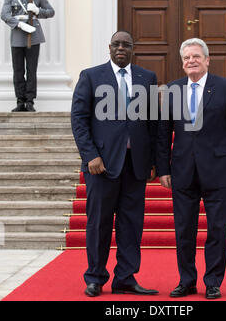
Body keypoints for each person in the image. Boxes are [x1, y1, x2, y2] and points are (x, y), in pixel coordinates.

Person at [156, 38, 226, 299]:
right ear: (182, 63)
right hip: (183, 171)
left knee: (218, 229)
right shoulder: (173, 90)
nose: (191, 61)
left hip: (219, 170)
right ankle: (186, 280)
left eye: (196, 56)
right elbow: (164, 133)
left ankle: (213, 281)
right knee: (184, 230)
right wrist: (163, 168)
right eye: (187, 58)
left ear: (207, 60)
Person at [71, 30, 159, 297]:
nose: (121, 48)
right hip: (102, 165)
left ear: (133, 49)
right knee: (99, 222)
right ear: (109, 48)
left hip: (136, 165)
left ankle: (126, 277)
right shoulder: (91, 76)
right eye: (117, 44)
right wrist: (90, 156)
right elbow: (79, 119)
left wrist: (153, 160)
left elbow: (153, 123)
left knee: (132, 224)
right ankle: (95, 277)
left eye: (126, 45)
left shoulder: (147, 78)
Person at [1, 0, 55, 112]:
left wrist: (38, 11)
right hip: (18, 36)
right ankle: (20, 101)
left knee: (31, 70)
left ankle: (30, 101)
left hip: (34, 36)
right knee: (18, 70)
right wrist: (18, 24)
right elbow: (4, 15)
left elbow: (51, 12)